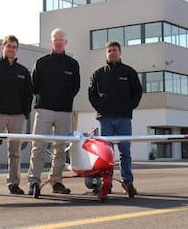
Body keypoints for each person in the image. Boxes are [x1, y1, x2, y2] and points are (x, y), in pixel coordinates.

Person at [27, 28, 80, 195]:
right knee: (38, 147)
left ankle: (56, 182)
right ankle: (34, 182)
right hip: (44, 111)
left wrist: (63, 100)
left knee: (60, 149)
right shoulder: (41, 62)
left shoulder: (72, 64)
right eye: (55, 39)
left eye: (61, 39)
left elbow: (75, 87)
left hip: (64, 112)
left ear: (66, 42)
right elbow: (34, 86)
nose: (58, 42)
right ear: (51, 42)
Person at [88, 41, 142, 197]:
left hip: (124, 119)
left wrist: (128, 108)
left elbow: (137, 92)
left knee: (125, 152)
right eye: (109, 50)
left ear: (120, 52)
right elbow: (92, 95)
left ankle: (128, 183)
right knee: (106, 154)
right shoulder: (98, 74)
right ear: (106, 53)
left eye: (115, 50)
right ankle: (107, 183)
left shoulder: (129, 72)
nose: (112, 52)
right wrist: (102, 110)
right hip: (105, 120)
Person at [0, 35, 33, 195]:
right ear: (2, 47)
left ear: (17, 50)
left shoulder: (23, 71)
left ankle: (14, 184)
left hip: (17, 117)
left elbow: (28, 95)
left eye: (14, 47)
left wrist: (25, 113)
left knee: (15, 153)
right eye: (8, 46)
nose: (11, 49)